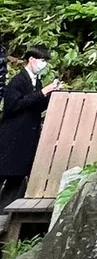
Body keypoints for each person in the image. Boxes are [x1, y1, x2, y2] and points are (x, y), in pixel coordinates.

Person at [0, 47, 62, 212]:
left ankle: (4, 211)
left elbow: (37, 105)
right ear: (31, 60)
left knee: (18, 177)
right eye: (42, 61)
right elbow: (13, 106)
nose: (44, 64)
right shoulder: (18, 81)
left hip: (27, 135)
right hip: (11, 135)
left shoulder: (37, 81)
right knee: (4, 172)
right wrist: (42, 92)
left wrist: (50, 95)